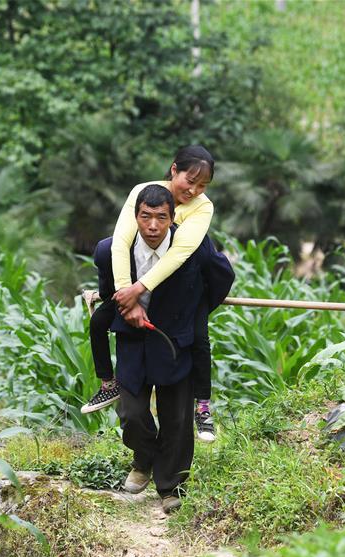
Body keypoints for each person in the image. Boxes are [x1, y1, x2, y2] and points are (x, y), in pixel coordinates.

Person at [93, 184, 234, 513]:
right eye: (145, 217)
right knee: (131, 414)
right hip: (132, 339)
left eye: (161, 218)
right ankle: (143, 461)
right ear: (136, 217)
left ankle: (170, 486)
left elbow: (222, 275)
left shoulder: (193, 248)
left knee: (177, 419)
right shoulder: (112, 250)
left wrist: (197, 311)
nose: (153, 226)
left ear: (173, 220)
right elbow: (108, 288)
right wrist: (123, 308)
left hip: (176, 342)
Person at [82, 146, 220, 443]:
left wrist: (138, 289)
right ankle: (109, 384)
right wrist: (124, 296)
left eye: (203, 185)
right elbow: (120, 243)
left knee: (198, 337)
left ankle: (203, 405)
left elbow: (179, 254)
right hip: (133, 288)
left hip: (182, 285)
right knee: (105, 255)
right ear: (174, 170)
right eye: (190, 180)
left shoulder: (201, 207)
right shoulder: (144, 192)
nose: (194, 190)